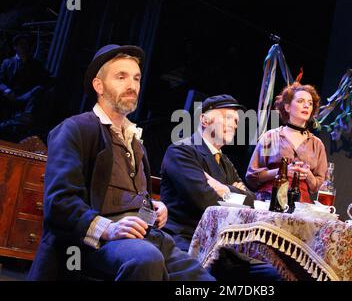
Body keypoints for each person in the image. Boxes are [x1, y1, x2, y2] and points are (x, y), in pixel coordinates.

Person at [28, 44, 214, 281]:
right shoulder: (76, 129)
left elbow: (129, 194)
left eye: (136, 78)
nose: (132, 85)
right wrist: (108, 228)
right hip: (91, 242)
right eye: (121, 77)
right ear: (99, 86)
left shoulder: (135, 141)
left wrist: (153, 207)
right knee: (145, 259)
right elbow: (59, 203)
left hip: (146, 236)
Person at [160, 94, 281, 280]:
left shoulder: (225, 161)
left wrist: (223, 188)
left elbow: (251, 201)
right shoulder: (181, 151)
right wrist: (234, 189)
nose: (234, 124)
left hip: (223, 247)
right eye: (227, 117)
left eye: (236, 120)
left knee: (276, 275)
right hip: (187, 240)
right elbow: (204, 200)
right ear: (204, 120)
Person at [246, 81, 328, 203]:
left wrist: (308, 175)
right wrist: (282, 171)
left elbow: (319, 185)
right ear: (287, 107)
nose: (306, 106)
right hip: (270, 198)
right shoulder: (271, 137)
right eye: (300, 101)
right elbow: (252, 176)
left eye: (310, 103)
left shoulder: (317, 144)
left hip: (301, 204)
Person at [0, 34, 51, 139]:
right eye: (21, 44)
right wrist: (7, 90)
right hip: (9, 95)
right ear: (15, 47)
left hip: (26, 96)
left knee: (38, 91)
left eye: (26, 44)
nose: (24, 47)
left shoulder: (35, 64)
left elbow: (46, 79)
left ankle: (26, 116)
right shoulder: (7, 63)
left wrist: (36, 89)